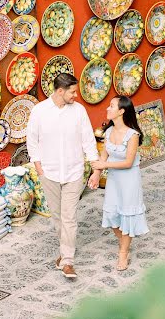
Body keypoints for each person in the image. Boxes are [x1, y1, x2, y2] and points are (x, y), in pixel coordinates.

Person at [26, 73, 98, 279]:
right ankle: (64, 252)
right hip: (49, 173)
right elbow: (32, 141)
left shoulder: (79, 111)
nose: (76, 95)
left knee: (69, 217)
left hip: (74, 172)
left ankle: (67, 260)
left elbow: (88, 140)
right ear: (60, 91)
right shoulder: (39, 111)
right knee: (57, 216)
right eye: (73, 92)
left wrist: (95, 169)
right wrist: (39, 168)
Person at [90, 96, 148, 271]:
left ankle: (123, 252)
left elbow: (128, 162)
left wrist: (104, 165)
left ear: (122, 111)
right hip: (114, 180)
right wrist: (96, 174)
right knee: (112, 215)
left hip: (129, 180)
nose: (108, 108)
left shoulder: (133, 135)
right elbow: (104, 156)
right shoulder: (108, 132)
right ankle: (124, 243)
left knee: (127, 215)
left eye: (111, 106)